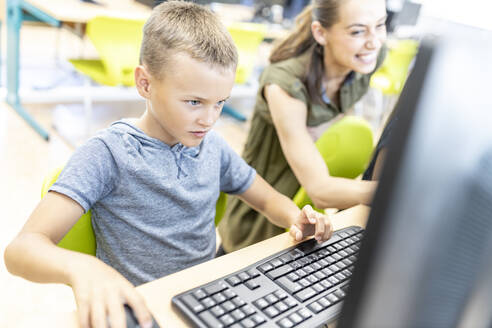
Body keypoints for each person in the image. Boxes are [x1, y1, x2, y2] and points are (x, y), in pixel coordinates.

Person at [3, 2, 334, 328]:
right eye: (194, 102)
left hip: (203, 297)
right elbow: (21, 250)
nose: (209, 119)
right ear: (145, 83)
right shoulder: (108, 154)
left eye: (220, 103)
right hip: (144, 308)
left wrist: (295, 216)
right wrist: (82, 268)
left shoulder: (213, 147)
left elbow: (266, 199)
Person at [218, 0, 388, 254]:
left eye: (381, 25)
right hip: (266, 210)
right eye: (357, 31)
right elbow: (321, 189)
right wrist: (396, 190)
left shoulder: (363, 61)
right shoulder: (285, 82)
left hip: (314, 217)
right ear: (320, 33)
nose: (374, 42)